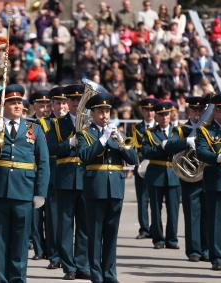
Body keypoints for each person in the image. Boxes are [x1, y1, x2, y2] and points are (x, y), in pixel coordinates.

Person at [0, 84, 50, 283]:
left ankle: (18, 279)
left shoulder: (34, 129)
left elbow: (43, 162)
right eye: (12, 102)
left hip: (24, 191)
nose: (17, 105)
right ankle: (2, 279)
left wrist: (41, 192)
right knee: (1, 241)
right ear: (3, 105)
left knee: (21, 241)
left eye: (19, 102)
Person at [77, 80, 138, 283]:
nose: (104, 116)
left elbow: (134, 160)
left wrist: (120, 144)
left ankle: (110, 273)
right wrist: (102, 140)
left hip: (116, 189)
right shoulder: (85, 134)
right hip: (95, 189)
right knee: (95, 234)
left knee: (111, 234)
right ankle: (96, 273)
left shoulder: (116, 134)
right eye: (100, 112)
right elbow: (85, 156)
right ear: (92, 113)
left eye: (107, 111)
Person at [48, 84, 90, 280]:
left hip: (86, 177)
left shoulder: (90, 123)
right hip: (65, 178)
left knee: (84, 225)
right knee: (65, 225)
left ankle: (82, 264)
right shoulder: (57, 124)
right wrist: (69, 143)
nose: (74, 103)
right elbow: (52, 148)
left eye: (78, 100)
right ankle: (69, 266)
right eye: (71, 100)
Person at [165, 96, 209, 262]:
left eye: (200, 110)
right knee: (192, 214)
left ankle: (207, 249)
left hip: (207, 176)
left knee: (208, 214)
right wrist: (186, 141)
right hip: (189, 177)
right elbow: (170, 145)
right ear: (188, 111)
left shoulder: (209, 129)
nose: (197, 113)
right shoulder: (181, 129)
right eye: (194, 110)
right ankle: (194, 250)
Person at [142, 101, 181, 250]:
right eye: (161, 115)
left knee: (173, 209)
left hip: (173, 173)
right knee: (156, 209)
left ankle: (172, 239)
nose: (164, 117)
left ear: (170, 115)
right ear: (156, 117)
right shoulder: (149, 133)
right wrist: (164, 147)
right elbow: (146, 152)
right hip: (156, 173)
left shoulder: (177, 132)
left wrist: (165, 147)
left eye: (166, 114)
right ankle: (158, 239)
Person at [196, 93, 221, 270]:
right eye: (220, 108)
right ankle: (217, 257)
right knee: (215, 221)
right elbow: (201, 152)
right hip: (216, 180)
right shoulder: (205, 130)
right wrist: (218, 157)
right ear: (214, 110)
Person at [44, 86, 68, 269]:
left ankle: (69, 255)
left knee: (70, 219)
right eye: (58, 102)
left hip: (71, 173)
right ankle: (54, 255)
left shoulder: (75, 122)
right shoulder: (45, 124)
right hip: (51, 172)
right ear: (51, 105)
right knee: (52, 218)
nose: (61, 105)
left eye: (64, 102)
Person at [130, 97, 158, 239]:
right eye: (146, 110)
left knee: (155, 201)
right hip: (140, 167)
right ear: (142, 111)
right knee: (142, 200)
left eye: (152, 110)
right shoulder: (136, 129)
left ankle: (155, 229)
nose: (149, 113)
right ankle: (144, 229)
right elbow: (133, 147)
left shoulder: (159, 127)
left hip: (155, 166)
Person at [28, 89, 51, 260]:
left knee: (50, 215)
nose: (44, 109)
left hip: (49, 172)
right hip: (32, 171)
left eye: (46, 105)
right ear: (33, 107)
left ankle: (50, 249)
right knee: (35, 215)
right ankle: (38, 248)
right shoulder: (28, 125)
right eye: (40, 105)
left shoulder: (54, 124)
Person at [43, 17, 71, 83]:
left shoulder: (63, 29)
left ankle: (59, 80)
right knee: (51, 66)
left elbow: (68, 38)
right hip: (51, 50)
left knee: (60, 66)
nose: (55, 23)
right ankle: (51, 79)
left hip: (60, 50)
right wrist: (53, 40)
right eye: (54, 21)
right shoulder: (48, 29)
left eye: (57, 21)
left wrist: (59, 40)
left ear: (59, 22)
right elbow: (44, 39)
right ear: (52, 22)